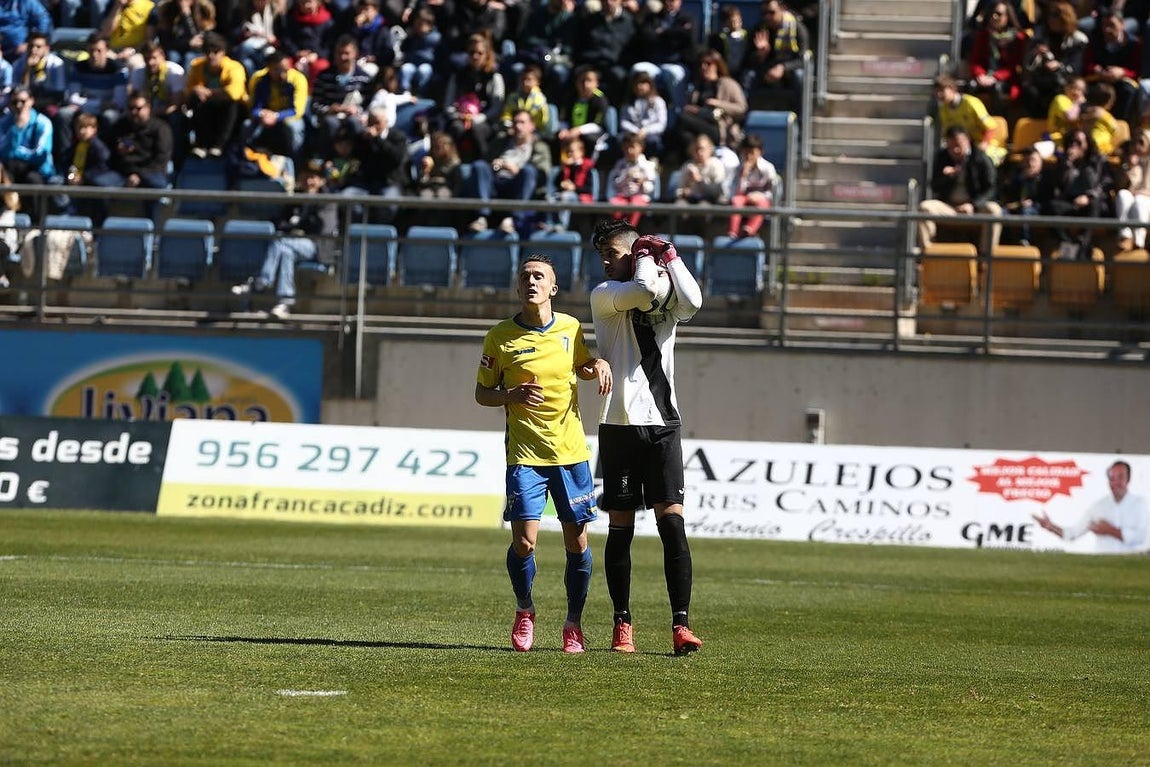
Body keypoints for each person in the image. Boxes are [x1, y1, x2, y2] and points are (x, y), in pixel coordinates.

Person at [474, 253, 612, 653]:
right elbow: (482, 393)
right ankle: (525, 609)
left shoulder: (570, 327)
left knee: (578, 543)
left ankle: (573, 623)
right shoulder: (499, 337)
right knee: (525, 544)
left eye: (539, 276)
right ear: (518, 288)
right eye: (525, 276)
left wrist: (597, 364)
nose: (531, 281)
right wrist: (508, 395)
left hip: (570, 452)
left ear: (553, 288)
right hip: (525, 455)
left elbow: (582, 364)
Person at [589, 221, 705, 656]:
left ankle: (681, 625)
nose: (605, 259)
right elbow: (643, 293)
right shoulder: (605, 294)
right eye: (602, 252)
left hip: (663, 424)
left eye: (613, 251)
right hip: (619, 423)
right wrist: (642, 257)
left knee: (671, 523)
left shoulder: (657, 284)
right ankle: (623, 623)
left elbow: (693, 300)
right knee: (621, 527)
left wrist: (669, 254)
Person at [231, 160, 338, 319]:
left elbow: (323, 228)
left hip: (317, 246)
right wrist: (292, 227)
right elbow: (282, 222)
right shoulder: (296, 197)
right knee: (286, 252)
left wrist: (299, 227)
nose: (309, 181)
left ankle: (260, 283)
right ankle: (284, 303)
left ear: (321, 180)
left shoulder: (327, 200)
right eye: (306, 176)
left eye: (314, 177)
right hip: (292, 244)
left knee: (280, 242)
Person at [918, 125, 1003, 253]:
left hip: (975, 208)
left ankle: (986, 259)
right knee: (925, 207)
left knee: (994, 210)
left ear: (967, 141)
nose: (955, 150)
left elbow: (992, 188)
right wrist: (947, 177)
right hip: (950, 207)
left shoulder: (980, 158)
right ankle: (928, 255)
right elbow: (934, 185)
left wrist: (973, 205)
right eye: (951, 146)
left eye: (959, 145)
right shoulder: (942, 157)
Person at [1033, 460, 1149, 553]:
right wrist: (1051, 527)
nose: (1115, 483)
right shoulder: (1099, 507)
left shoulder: (1139, 504)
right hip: (1103, 565)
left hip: (1131, 566)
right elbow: (1072, 534)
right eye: (1112, 478)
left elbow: (1140, 537)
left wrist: (1109, 530)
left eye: (1120, 477)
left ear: (1128, 479)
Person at [185, 31, 247, 156]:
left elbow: (234, 93)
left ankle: (219, 146)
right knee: (195, 99)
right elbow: (189, 90)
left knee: (232, 104)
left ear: (223, 52)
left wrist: (208, 92)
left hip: (230, 110)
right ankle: (201, 144)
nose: (211, 56)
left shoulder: (234, 67)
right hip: (207, 107)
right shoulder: (197, 65)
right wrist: (195, 90)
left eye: (215, 52)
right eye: (207, 52)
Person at [727, 133, 778, 238]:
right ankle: (733, 231)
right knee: (736, 201)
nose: (748, 156)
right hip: (744, 197)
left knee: (763, 204)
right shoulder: (738, 169)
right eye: (746, 153)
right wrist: (743, 176)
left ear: (760, 152)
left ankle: (749, 229)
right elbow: (735, 192)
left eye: (752, 153)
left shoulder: (768, 168)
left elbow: (772, 191)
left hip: (761, 198)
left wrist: (761, 196)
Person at [606, 131, 657, 229]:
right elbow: (615, 185)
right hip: (623, 196)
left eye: (632, 147)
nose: (629, 151)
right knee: (614, 203)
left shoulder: (648, 166)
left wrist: (642, 182)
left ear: (641, 148)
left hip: (640, 197)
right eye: (626, 148)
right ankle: (618, 231)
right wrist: (625, 177)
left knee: (635, 205)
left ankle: (630, 230)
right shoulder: (620, 164)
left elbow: (650, 188)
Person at [1114, 128, 1150, 250]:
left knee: (1140, 200)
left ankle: (1139, 241)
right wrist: (1128, 167)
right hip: (1133, 195)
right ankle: (1125, 236)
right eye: (1134, 142)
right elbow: (1119, 186)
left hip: (1145, 199)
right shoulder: (1127, 161)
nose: (1136, 146)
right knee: (1123, 195)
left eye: (1141, 142)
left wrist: (1142, 193)